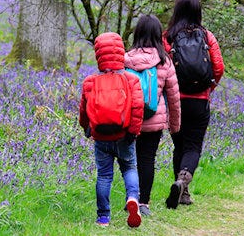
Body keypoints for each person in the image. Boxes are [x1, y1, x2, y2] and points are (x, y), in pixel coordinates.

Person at [162, 0, 224, 209]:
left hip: (175, 100)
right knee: (193, 146)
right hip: (199, 101)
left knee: (178, 145)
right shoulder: (208, 36)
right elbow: (219, 67)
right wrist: (209, 89)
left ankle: (182, 190)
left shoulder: (167, 37)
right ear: (198, 12)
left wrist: (168, 92)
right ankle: (183, 183)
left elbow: (162, 68)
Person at [78, 32, 145, 228]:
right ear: (121, 52)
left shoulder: (90, 81)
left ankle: (103, 217)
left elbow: (84, 110)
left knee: (104, 175)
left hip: (101, 137)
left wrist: (87, 129)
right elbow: (138, 108)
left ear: (98, 54)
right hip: (125, 136)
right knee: (129, 168)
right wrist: (133, 132)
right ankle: (133, 199)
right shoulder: (131, 80)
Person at [124, 15, 181, 216]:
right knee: (147, 159)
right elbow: (174, 97)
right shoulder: (164, 61)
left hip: (130, 120)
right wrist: (174, 126)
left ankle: (130, 197)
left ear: (137, 33)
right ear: (158, 35)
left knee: (130, 160)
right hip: (153, 121)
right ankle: (143, 203)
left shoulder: (126, 59)